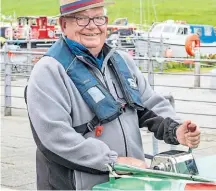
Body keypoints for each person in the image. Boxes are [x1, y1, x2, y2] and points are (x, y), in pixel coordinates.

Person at [25, 0, 201, 190]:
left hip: (130, 184)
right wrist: (113, 161)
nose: (92, 26)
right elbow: (54, 138)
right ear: (63, 24)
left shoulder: (121, 61)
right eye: (81, 18)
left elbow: (148, 104)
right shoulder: (48, 71)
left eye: (98, 18)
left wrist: (176, 129)